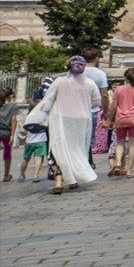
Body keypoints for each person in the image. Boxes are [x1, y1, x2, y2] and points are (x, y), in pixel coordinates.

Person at [40, 56, 101, 194]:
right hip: (82, 121)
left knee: (57, 149)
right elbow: (97, 102)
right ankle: (74, 179)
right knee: (77, 150)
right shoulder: (90, 83)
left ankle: (59, 181)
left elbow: (47, 101)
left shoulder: (59, 82)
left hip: (60, 120)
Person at [107, 68, 134, 178]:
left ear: (125, 77)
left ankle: (118, 163)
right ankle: (129, 170)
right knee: (132, 144)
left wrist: (109, 120)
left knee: (119, 143)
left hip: (120, 118)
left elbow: (113, 106)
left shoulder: (118, 89)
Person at [81, 47, 110, 167]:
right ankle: (86, 160)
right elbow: (104, 95)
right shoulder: (100, 74)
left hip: (75, 108)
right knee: (89, 137)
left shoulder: (77, 71)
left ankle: (83, 160)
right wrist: (105, 111)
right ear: (96, 58)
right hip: (92, 109)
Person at [0, 88, 17, 182]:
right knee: (7, 154)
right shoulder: (13, 106)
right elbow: (14, 120)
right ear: (9, 96)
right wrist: (12, 135)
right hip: (7, 133)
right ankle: (6, 175)